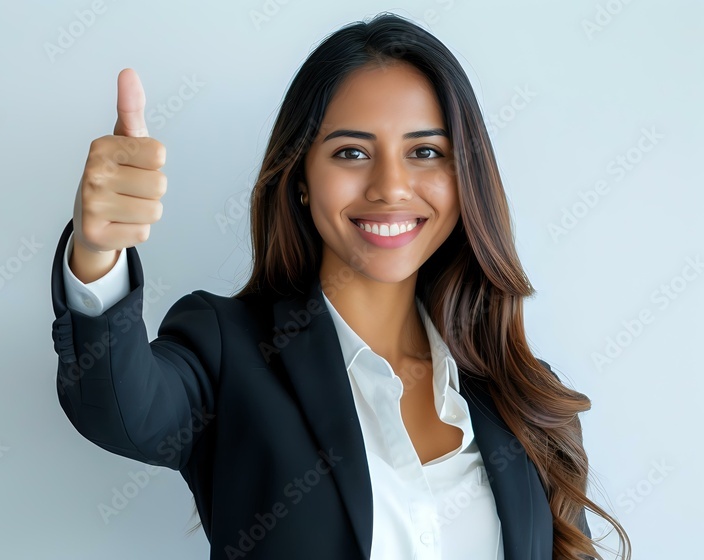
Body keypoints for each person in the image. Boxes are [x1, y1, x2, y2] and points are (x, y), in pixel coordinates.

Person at [50, 12, 631, 560]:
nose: (390, 187)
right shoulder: (230, 349)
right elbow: (123, 410)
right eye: (351, 152)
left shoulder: (522, 394)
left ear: (465, 179)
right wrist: (99, 251)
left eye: (425, 152)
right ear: (301, 177)